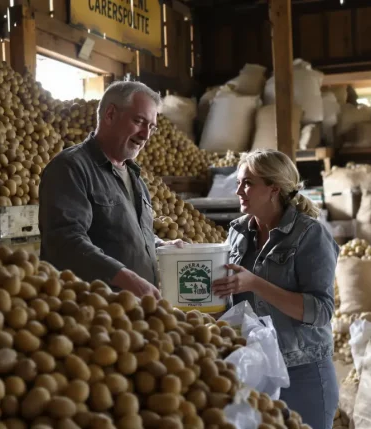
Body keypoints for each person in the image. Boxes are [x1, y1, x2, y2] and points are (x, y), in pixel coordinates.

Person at [212, 149, 339, 429]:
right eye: (238, 183)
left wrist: (255, 283)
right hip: (253, 368)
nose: (238, 191)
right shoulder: (238, 233)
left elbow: (321, 311)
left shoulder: (310, 234)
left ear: (274, 189)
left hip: (302, 371)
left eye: (248, 183)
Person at [39, 81, 183, 298]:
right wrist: (124, 277)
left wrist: (161, 245)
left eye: (151, 127)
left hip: (136, 309)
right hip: (92, 307)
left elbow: (123, 235)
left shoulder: (135, 177)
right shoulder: (70, 168)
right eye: (139, 121)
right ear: (110, 114)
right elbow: (64, 241)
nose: (145, 135)